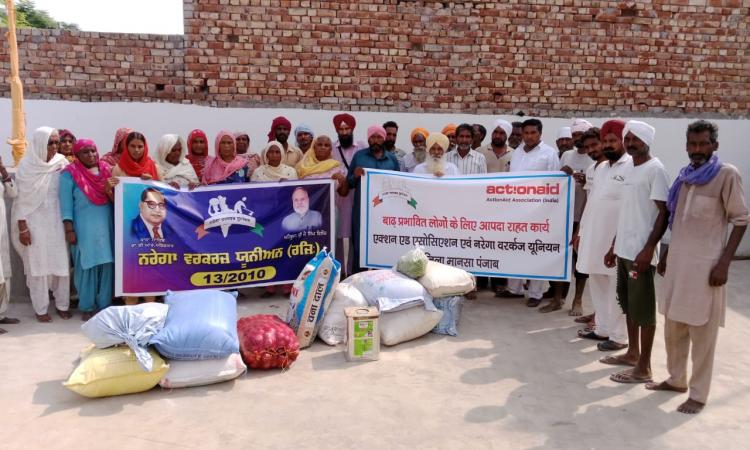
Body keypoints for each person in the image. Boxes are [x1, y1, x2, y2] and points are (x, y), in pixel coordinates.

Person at [646, 120, 748, 414]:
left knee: (702, 333)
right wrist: (665, 254)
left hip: (707, 269)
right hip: (678, 265)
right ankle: (676, 379)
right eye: (692, 144)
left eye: (703, 144)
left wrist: (725, 263)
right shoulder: (685, 177)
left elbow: (740, 220)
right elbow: (675, 219)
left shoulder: (726, 175)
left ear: (715, 145)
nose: (697, 150)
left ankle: (699, 394)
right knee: (674, 326)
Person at [604, 120, 670, 384]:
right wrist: (613, 245)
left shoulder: (656, 170)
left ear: (647, 141)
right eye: (627, 138)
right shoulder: (631, 167)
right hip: (624, 250)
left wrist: (649, 249)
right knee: (629, 305)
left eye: (635, 139)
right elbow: (628, 212)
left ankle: (644, 367)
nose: (630, 143)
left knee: (643, 310)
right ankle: (632, 353)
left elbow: (664, 213)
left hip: (641, 253)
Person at [574, 121, 630, 352]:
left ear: (623, 141)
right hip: (594, 235)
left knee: (616, 288)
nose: (607, 145)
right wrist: (581, 232)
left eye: (611, 141)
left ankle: (619, 336)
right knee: (597, 282)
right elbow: (592, 203)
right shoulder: (599, 168)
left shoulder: (631, 167)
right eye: (605, 141)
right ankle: (603, 328)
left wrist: (618, 242)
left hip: (616, 241)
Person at [11, 127, 71, 322]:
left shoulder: (61, 163)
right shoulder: (26, 167)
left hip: (56, 220)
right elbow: (21, 201)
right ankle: (41, 309)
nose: (54, 146)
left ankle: (62, 305)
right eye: (50, 143)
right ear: (39, 143)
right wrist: (23, 228)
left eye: (56, 142)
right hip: (33, 223)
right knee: (37, 266)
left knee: (60, 264)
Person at [502, 118, 562, 310]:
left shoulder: (549, 153)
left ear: (540, 134)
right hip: (516, 210)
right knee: (515, 248)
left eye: (532, 133)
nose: (528, 137)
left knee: (535, 250)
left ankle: (536, 293)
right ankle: (515, 289)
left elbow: (555, 183)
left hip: (539, 212)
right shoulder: (517, 152)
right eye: (525, 133)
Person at [59, 139, 114, 321]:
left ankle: (104, 305)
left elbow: (118, 197)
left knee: (107, 264)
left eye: (93, 151)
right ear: (76, 155)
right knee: (86, 266)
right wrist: (69, 229)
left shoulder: (107, 171)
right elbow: (66, 204)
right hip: (83, 228)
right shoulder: (69, 174)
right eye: (85, 152)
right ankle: (87, 306)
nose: (91, 155)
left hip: (106, 226)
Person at [347, 125, 401, 273]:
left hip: (385, 211)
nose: (376, 140)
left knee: (382, 243)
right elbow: (349, 182)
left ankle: (381, 279)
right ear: (368, 138)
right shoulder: (359, 156)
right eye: (372, 137)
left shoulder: (392, 159)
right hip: (362, 210)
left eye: (379, 137)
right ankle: (358, 280)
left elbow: (399, 183)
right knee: (360, 244)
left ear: (384, 138)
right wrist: (355, 175)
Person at [560, 122, 597, 315]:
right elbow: (557, 181)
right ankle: (558, 297)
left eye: (580, 134)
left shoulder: (595, 160)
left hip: (583, 216)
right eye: (574, 134)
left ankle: (578, 300)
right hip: (565, 214)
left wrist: (584, 182)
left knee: (580, 261)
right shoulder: (567, 155)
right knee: (562, 258)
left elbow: (593, 190)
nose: (577, 138)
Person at [330, 113, 365, 276]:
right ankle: (338, 271)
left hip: (358, 193)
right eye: (341, 129)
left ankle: (351, 271)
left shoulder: (362, 147)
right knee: (337, 233)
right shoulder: (331, 148)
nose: (344, 132)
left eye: (347, 128)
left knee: (354, 233)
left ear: (352, 129)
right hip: (339, 195)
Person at [0, 157, 19, 333]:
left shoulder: (1, 175)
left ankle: (1, 314)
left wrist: (4, 172)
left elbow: (13, 194)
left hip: (2, 234)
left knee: (5, 275)